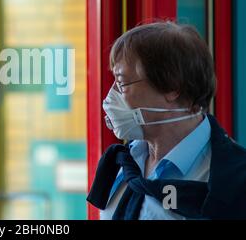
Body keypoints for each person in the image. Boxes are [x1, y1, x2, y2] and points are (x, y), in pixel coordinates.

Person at [86, 21, 246, 220]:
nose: (111, 96)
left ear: (172, 87)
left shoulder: (234, 178)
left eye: (122, 83)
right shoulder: (121, 162)